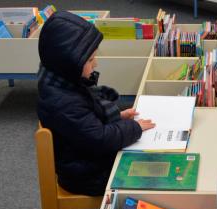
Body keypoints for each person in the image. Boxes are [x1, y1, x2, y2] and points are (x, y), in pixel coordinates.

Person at [37, 11, 155, 196]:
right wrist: (135, 128)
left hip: (86, 159)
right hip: (87, 176)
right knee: (150, 172)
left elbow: (89, 116)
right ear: (69, 64)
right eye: (90, 60)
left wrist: (119, 115)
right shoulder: (64, 103)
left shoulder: (63, 84)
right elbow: (100, 139)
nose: (96, 64)